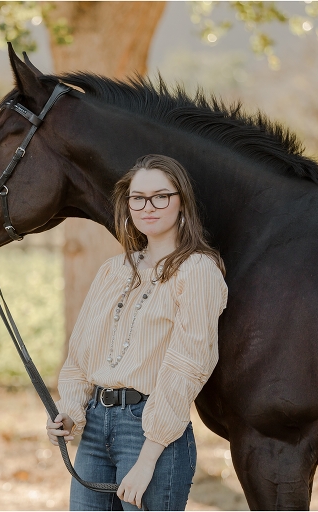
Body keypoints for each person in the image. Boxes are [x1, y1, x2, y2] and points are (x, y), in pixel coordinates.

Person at [46, 154, 228, 511]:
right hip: (96, 428)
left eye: (161, 196)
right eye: (138, 198)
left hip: (149, 430)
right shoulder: (113, 270)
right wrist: (68, 413)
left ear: (181, 202)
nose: (149, 206)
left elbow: (188, 366)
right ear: (127, 205)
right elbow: (82, 355)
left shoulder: (198, 272)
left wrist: (147, 460)